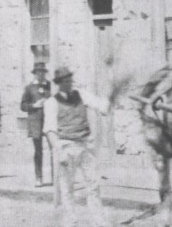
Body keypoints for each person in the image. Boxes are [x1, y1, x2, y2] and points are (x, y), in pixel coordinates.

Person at [43, 66, 112, 227]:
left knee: (93, 185)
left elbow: (101, 105)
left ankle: (99, 220)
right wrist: (58, 151)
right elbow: (50, 130)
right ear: (59, 84)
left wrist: (111, 96)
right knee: (67, 188)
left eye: (70, 80)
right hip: (67, 147)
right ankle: (70, 221)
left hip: (85, 145)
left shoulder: (81, 95)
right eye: (65, 81)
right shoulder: (51, 102)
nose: (69, 84)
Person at [21, 62, 52, 186]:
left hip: (49, 121)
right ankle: (38, 177)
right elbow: (22, 106)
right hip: (35, 123)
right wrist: (34, 105)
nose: (40, 74)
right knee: (38, 151)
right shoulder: (29, 87)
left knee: (54, 148)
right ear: (35, 73)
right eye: (38, 72)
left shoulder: (50, 86)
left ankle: (55, 177)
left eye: (43, 72)